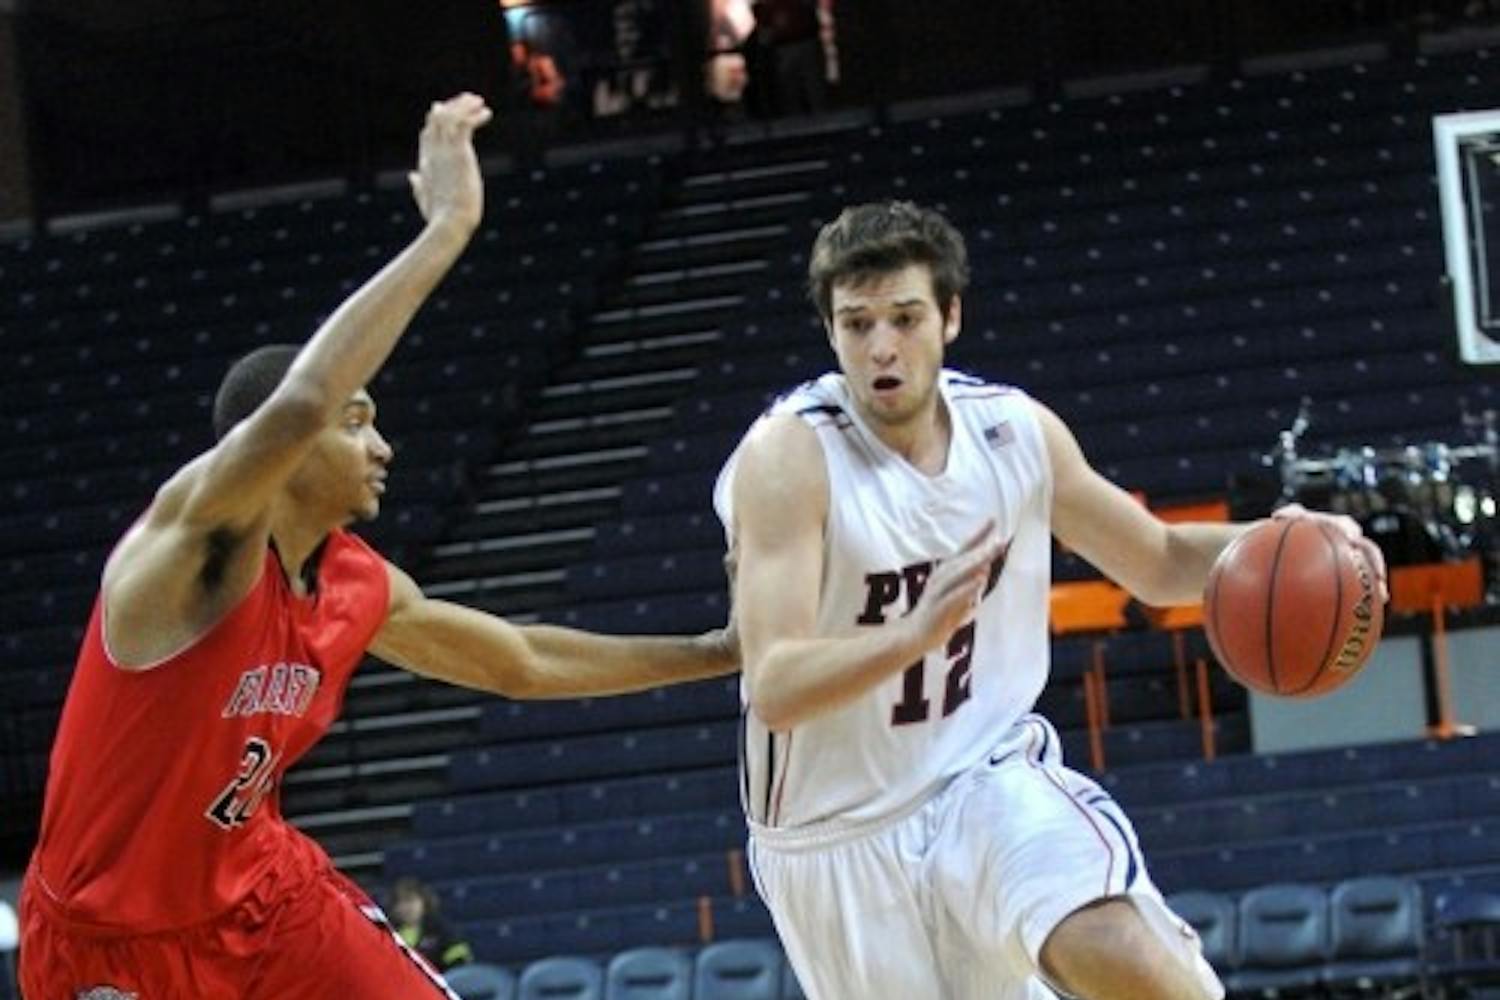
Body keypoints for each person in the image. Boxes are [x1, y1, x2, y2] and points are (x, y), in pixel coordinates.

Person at [18, 93, 737, 1000]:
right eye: (360, 422)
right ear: (272, 452)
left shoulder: (358, 584)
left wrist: (718, 652)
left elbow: (523, 660)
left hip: (267, 899)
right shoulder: (186, 552)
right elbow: (302, 401)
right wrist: (447, 230)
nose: (383, 446)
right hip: (111, 944)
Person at [712, 200, 1388, 1000]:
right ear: (831, 333)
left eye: (905, 317)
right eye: (857, 325)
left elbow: (1161, 560)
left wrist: (1287, 545)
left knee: (1128, 958)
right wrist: (913, 634)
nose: (882, 347)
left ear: (950, 316)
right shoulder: (789, 458)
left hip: (983, 776)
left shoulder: (1013, 434)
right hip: (835, 839)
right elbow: (780, 685)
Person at [390, 877, 473, 972]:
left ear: (424, 902)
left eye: (410, 900)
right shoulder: (389, 933)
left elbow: (460, 964)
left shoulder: (442, 929)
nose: (405, 907)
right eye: (399, 902)